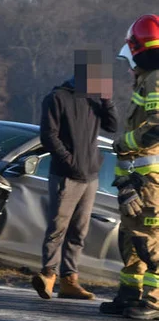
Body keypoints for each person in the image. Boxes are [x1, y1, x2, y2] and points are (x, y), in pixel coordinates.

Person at [32, 50, 117, 300]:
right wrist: (70, 163)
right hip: (66, 176)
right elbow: (49, 136)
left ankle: (70, 280)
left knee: (79, 231)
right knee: (58, 227)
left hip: (90, 176)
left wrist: (107, 100)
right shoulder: (56, 97)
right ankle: (48, 274)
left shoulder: (95, 99)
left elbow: (112, 126)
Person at [107, 14, 159, 321]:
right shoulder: (147, 78)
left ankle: (153, 302)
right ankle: (129, 296)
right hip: (136, 178)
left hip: (150, 180)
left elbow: (156, 128)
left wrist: (123, 143)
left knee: (151, 240)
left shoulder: (156, 79)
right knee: (131, 239)